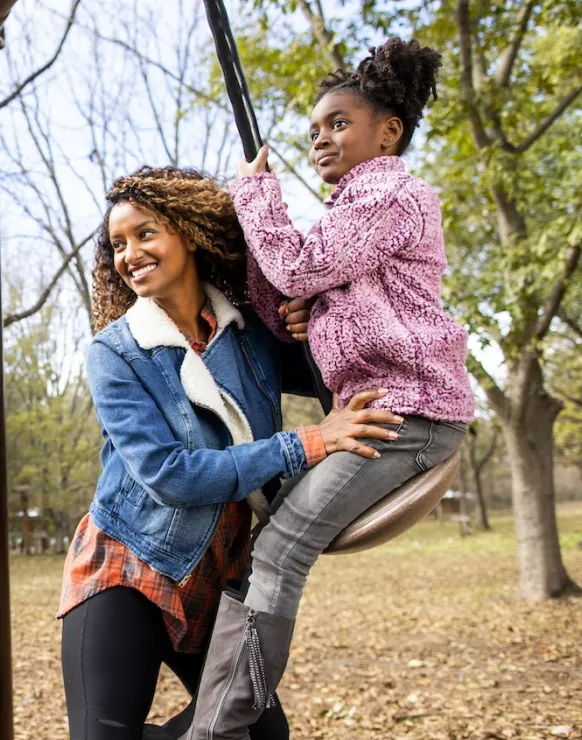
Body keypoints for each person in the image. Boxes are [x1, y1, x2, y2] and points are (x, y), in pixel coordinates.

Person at [179, 39, 475, 740]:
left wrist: (255, 196)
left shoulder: (391, 189)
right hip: (377, 409)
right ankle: (222, 713)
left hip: (412, 412)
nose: (321, 139)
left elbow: (303, 263)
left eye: (339, 123)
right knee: (263, 535)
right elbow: (291, 286)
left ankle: (215, 731)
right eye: (314, 129)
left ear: (388, 131)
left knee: (281, 551)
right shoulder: (357, 210)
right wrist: (306, 303)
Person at [59, 166, 399, 740]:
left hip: (220, 579)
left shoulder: (250, 336)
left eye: (145, 233)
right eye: (118, 244)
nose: (129, 253)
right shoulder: (116, 352)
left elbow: (336, 364)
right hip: (130, 567)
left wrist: (312, 315)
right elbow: (170, 474)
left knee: (265, 735)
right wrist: (308, 442)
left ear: (189, 233)